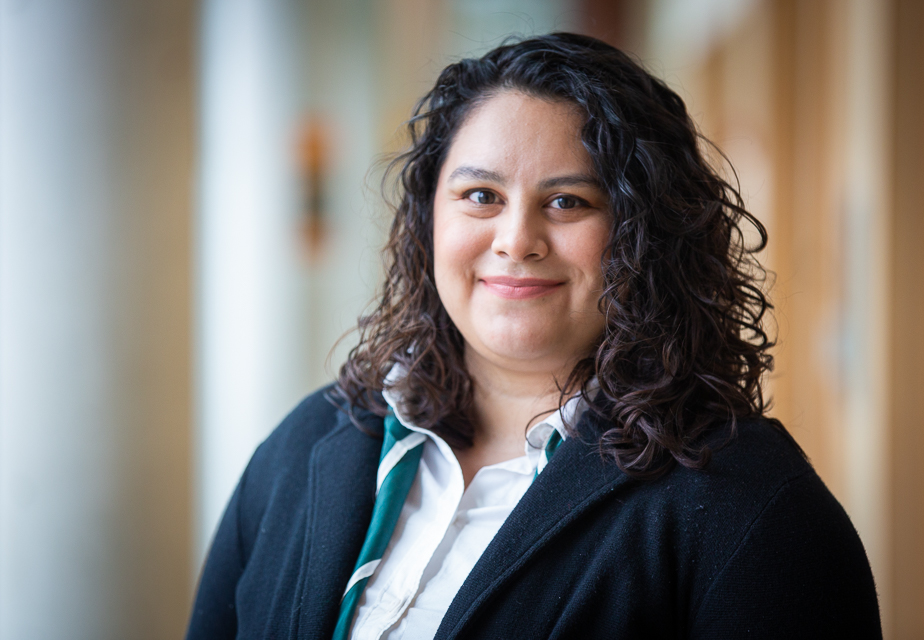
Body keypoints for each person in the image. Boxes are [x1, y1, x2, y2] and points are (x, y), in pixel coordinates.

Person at [185, 33, 881, 640]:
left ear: (647, 235)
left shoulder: (752, 509)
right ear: (431, 220)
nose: (516, 241)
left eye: (568, 202)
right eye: (481, 196)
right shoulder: (308, 446)